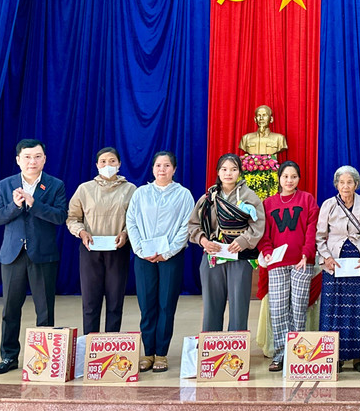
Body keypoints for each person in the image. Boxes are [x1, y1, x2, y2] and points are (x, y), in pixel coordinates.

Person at [0, 139, 67, 375]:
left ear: (44, 159)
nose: (32, 161)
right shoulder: (5, 185)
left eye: (37, 156)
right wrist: (14, 206)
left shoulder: (55, 185)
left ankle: (43, 360)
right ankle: (9, 356)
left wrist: (34, 204)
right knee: (10, 309)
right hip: (12, 255)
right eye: (27, 157)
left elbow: (60, 216)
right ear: (18, 160)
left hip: (43, 255)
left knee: (45, 309)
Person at [125, 151, 194, 373]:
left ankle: (161, 353)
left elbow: (186, 225)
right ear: (152, 168)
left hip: (170, 257)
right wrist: (140, 249)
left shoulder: (183, 195)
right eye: (158, 165)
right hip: (144, 257)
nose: (162, 169)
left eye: (166, 165)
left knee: (166, 305)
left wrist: (169, 251)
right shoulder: (141, 193)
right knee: (147, 305)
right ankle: (148, 353)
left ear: (174, 169)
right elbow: (131, 221)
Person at [188, 153, 265, 334]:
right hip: (213, 256)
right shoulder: (208, 197)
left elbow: (258, 224)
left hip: (239, 256)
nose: (228, 173)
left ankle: (236, 345)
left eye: (233, 169)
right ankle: (211, 343)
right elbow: (193, 225)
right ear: (218, 172)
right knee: (211, 305)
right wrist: (203, 241)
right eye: (224, 169)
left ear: (240, 172)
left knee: (239, 305)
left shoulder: (249, 196)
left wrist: (244, 241)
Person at [66, 147, 137, 335]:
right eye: (103, 161)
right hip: (91, 249)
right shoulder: (84, 189)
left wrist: (125, 233)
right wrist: (81, 232)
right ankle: (90, 343)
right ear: (97, 165)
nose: (108, 165)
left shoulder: (130, 190)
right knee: (90, 302)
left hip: (118, 249)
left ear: (119, 164)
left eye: (112, 161)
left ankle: (109, 343)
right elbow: (72, 218)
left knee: (115, 301)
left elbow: (135, 220)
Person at [259, 161, 319, 372]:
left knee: (298, 309)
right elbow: (264, 233)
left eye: (294, 176)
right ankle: (279, 354)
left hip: (301, 262)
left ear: (299, 179)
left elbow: (312, 229)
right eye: (285, 176)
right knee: (278, 309)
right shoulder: (268, 203)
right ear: (279, 178)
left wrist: (306, 253)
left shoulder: (307, 199)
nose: (289, 180)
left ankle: (296, 354)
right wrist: (267, 252)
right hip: (277, 263)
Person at [316, 165, 360, 371]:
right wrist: (326, 258)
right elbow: (320, 237)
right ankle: (335, 355)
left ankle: (359, 356)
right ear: (336, 185)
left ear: (356, 184)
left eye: (349, 182)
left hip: (359, 265)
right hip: (335, 265)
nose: (345, 186)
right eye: (341, 182)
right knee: (333, 310)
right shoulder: (328, 205)